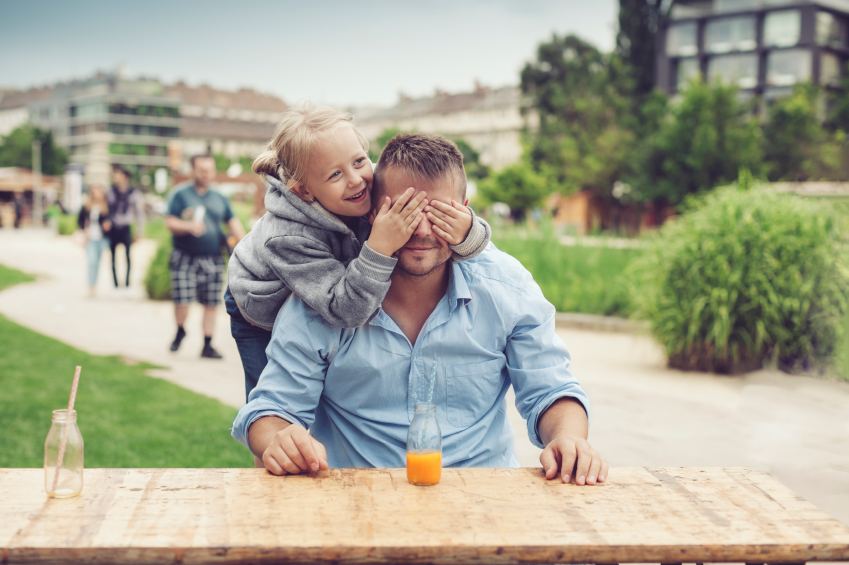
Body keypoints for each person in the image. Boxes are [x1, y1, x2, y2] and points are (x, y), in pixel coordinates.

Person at [232, 133, 608, 485]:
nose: (423, 231)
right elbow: (271, 408)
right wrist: (278, 439)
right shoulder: (328, 296)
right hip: (356, 506)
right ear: (372, 215)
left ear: (465, 213)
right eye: (405, 212)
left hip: (483, 503)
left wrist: (568, 438)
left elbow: (551, 387)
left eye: (440, 214)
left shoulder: (506, 288)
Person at [226, 106, 490, 400]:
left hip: (334, 282)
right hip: (260, 309)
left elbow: (459, 228)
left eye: (359, 160)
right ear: (304, 191)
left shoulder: (370, 181)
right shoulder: (287, 237)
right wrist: (379, 247)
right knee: (273, 407)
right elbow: (345, 310)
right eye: (335, 174)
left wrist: (466, 230)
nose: (356, 179)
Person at [165, 154, 246, 359]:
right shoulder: (180, 194)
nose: (206, 174)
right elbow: (170, 222)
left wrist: (246, 245)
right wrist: (187, 226)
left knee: (211, 303)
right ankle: (181, 329)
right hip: (184, 256)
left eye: (209, 170)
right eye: (202, 170)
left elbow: (232, 222)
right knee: (182, 300)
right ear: (193, 170)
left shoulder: (219, 197)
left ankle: (207, 344)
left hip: (212, 257)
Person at [106, 165, 145, 293]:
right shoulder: (110, 192)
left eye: (118, 175)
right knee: (112, 257)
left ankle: (127, 285)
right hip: (113, 227)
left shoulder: (134, 193)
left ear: (125, 177)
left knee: (128, 257)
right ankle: (116, 286)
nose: (115, 177)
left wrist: (140, 231)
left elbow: (139, 213)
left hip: (126, 227)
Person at [77, 186, 112, 298]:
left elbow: (111, 220)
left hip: (102, 239)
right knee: (92, 261)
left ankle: (94, 285)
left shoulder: (107, 207)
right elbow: (80, 220)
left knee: (97, 262)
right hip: (91, 238)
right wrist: (84, 230)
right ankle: (91, 286)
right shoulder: (87, 207)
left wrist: (108, 225)